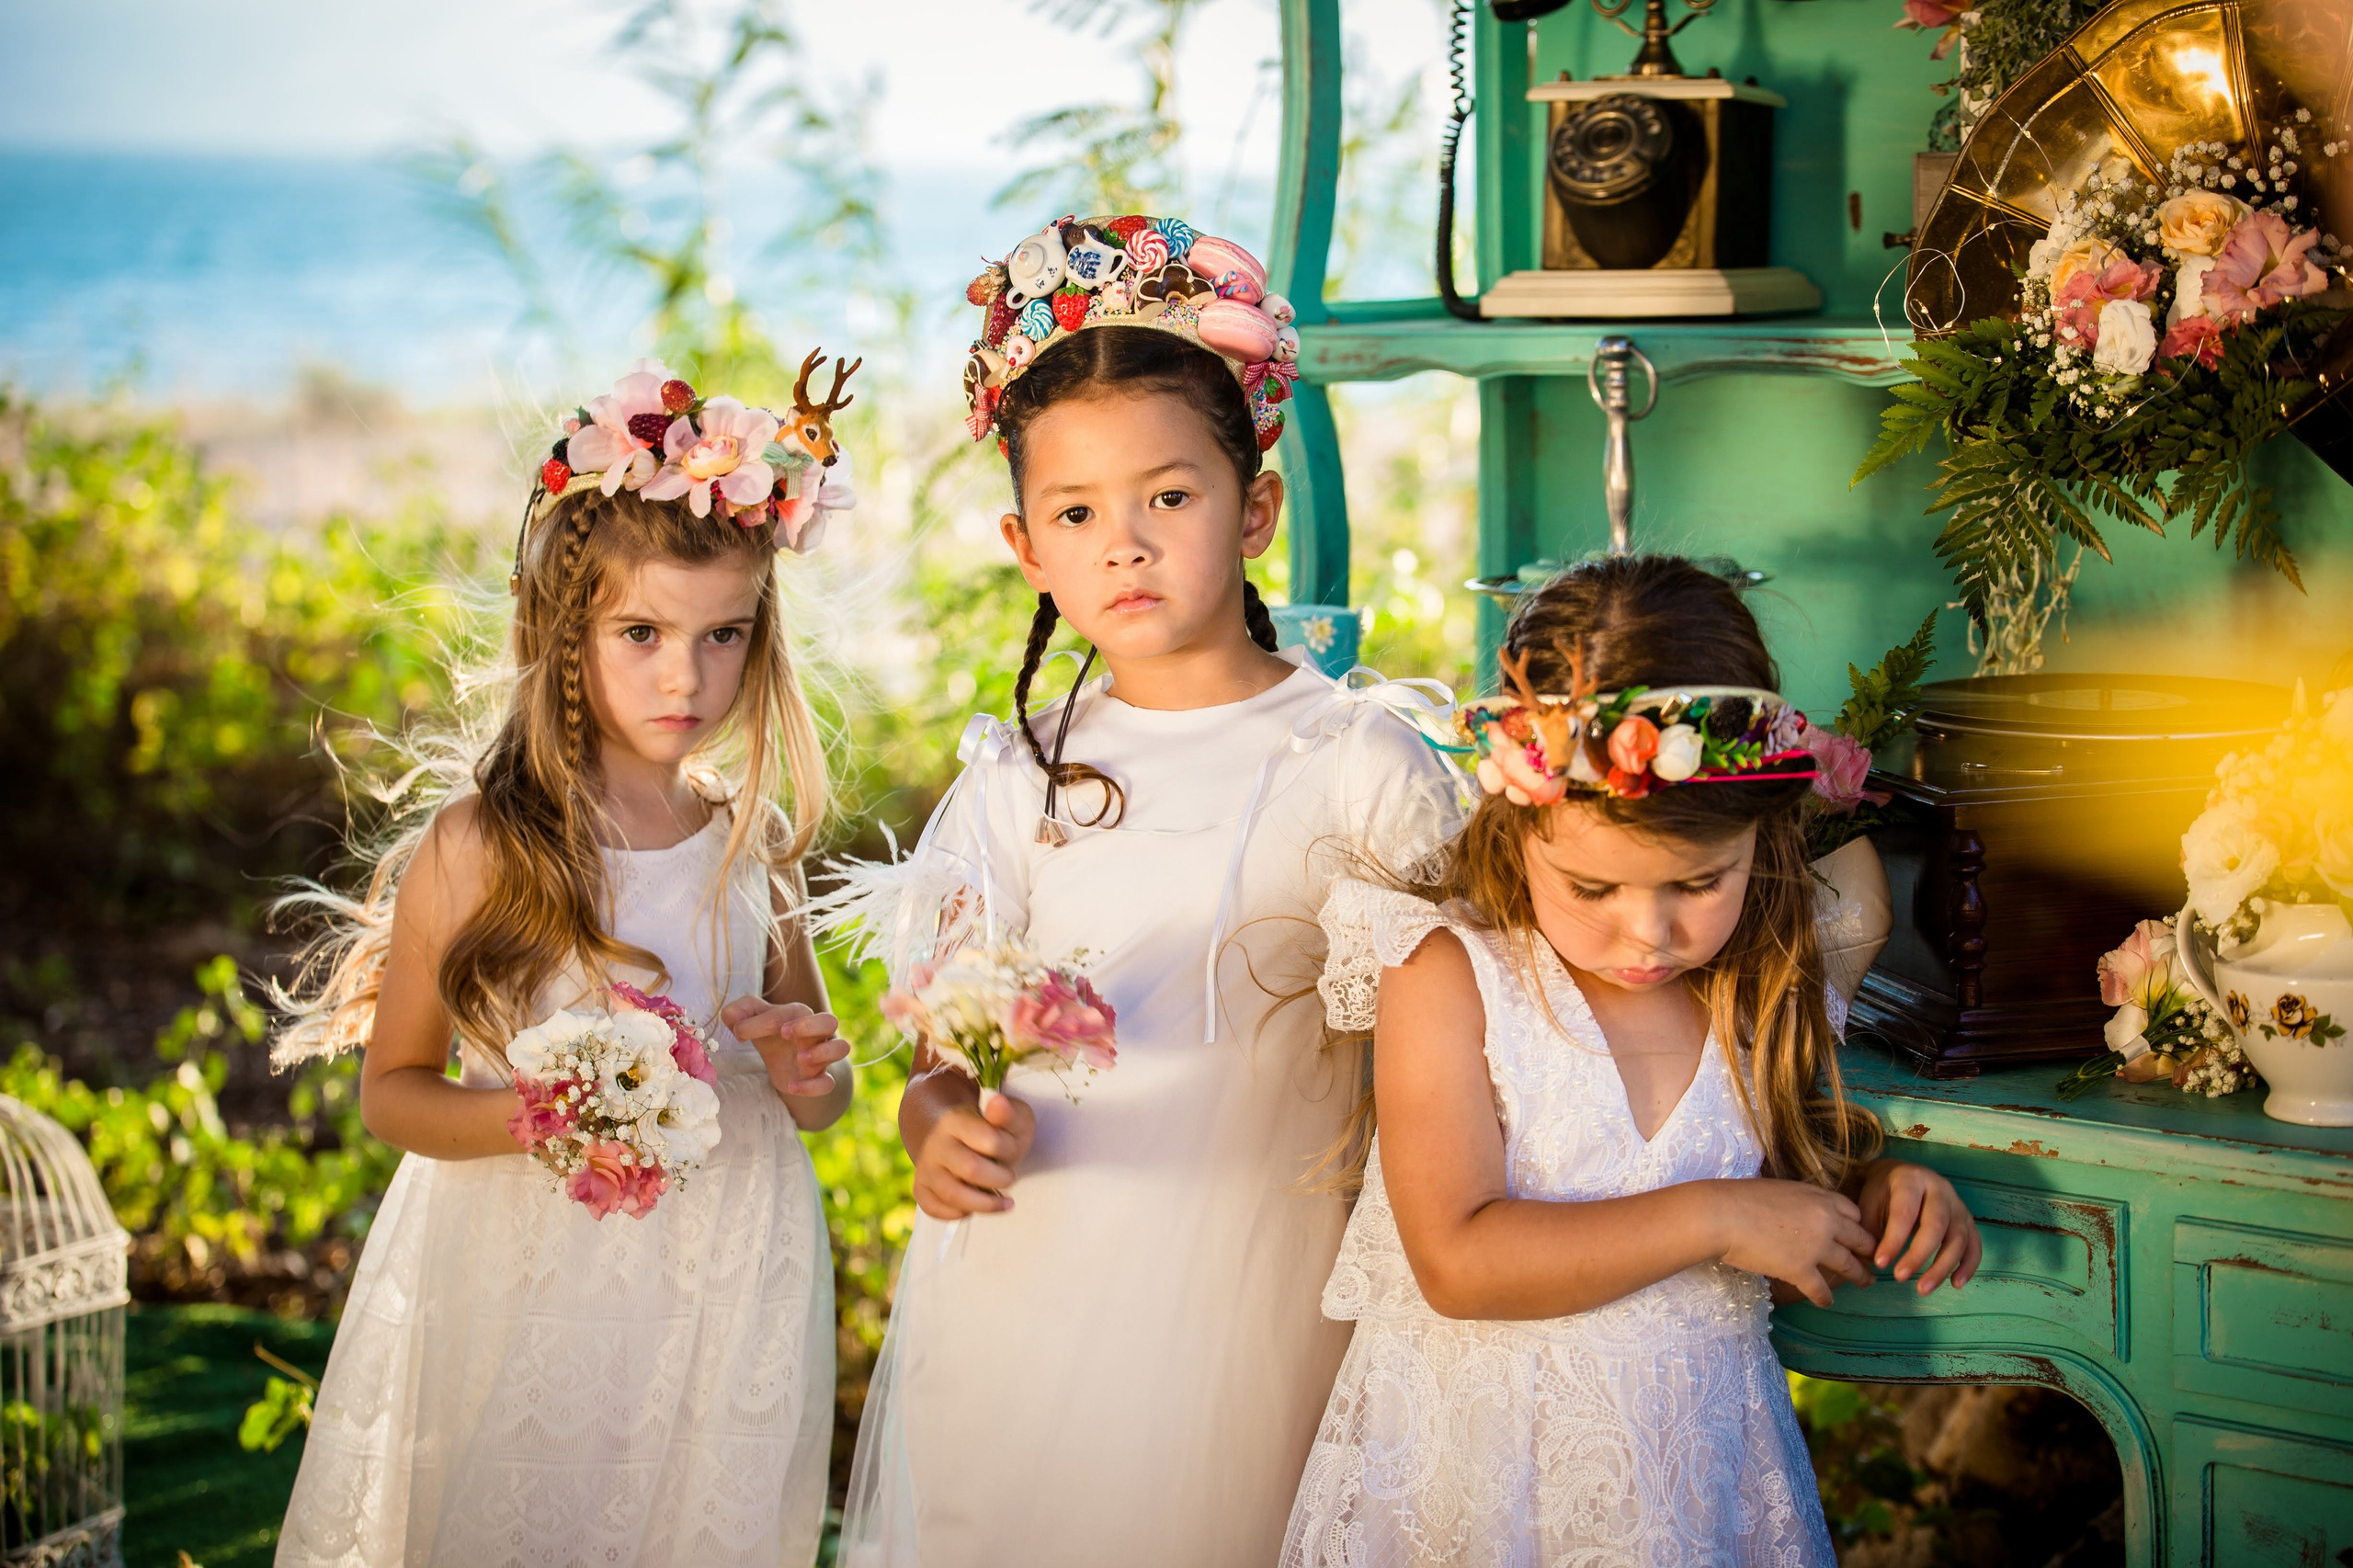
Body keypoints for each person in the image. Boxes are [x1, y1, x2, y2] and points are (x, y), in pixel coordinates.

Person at [818, 215, 1465, 1567]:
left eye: (1169, 497)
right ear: (1025, 544)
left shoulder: (1357, 765)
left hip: (1255, 1307)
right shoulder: (1017, 782)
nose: (1126, 542)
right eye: (1076, 512)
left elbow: (1466, 1063)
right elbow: (943, 1057)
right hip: (1029, 1298)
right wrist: (934, 1123)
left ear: (1257, 508)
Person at [269, 360, 859, 1567]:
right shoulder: (485, 847)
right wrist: (548, 1117)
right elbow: (396, 1091)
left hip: (733, 1257)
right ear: (566, 628)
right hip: (539, 1261)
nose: (684, 676)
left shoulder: (758, 847)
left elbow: (820, 1100)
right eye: (640, 632)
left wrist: (809, 1067)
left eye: (721, 635)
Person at [1282, 555, 1984, 1567]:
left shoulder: (1760, 984)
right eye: (1592, 887)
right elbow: (1458, 1260)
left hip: (1693, 1485)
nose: (1646, 933)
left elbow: (1768, 1221)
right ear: (1519, 822)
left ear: (1762, 835)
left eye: (1699, 881)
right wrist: (1715, 1214)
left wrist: (1875, 1193)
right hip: (1483, 1487)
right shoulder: (1449, 976)